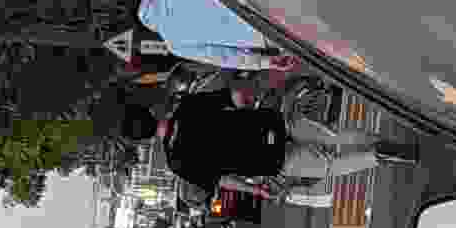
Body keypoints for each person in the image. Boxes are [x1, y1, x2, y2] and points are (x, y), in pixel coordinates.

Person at [158, 80, 374, 208]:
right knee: (333, 136)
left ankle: (376, 156)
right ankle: (377, 141)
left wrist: (256, 190)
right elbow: (237, 96)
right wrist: (250, 111)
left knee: (330, 165)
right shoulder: (186, 107)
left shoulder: (176, 162)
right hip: (272, 123)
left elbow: (223, 180)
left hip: (269, 159)